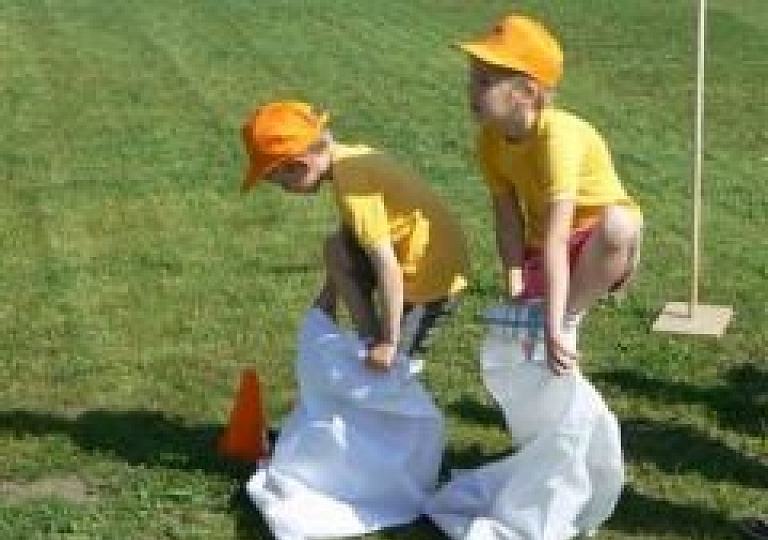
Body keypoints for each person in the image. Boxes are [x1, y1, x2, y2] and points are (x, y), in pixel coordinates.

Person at [458, 14, 643, 374]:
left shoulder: (557, 136)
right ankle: (554, 319)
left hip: (593, 242)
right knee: (525, 345)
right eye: (472, 78)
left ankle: (569, 318)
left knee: (619, 223)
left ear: (527, 93)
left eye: (484, 82)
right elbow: (507, 217)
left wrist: (555, 321)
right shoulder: (489, 140)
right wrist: (514, 279)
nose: (471, 90)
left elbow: (558, 236)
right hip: (545, 246)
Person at [241, 101, 469, 371]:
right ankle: (369, 342)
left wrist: (390, 341)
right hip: (407, 259)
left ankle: (387, 358)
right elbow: (352, 236)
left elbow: (386, 266)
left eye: (281, 182)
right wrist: (329, 294)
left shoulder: (352, 187)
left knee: (398, 366)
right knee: (336, 247)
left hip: (430, 279)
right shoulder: (349, 160)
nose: (284, 189)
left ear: (298, 166)